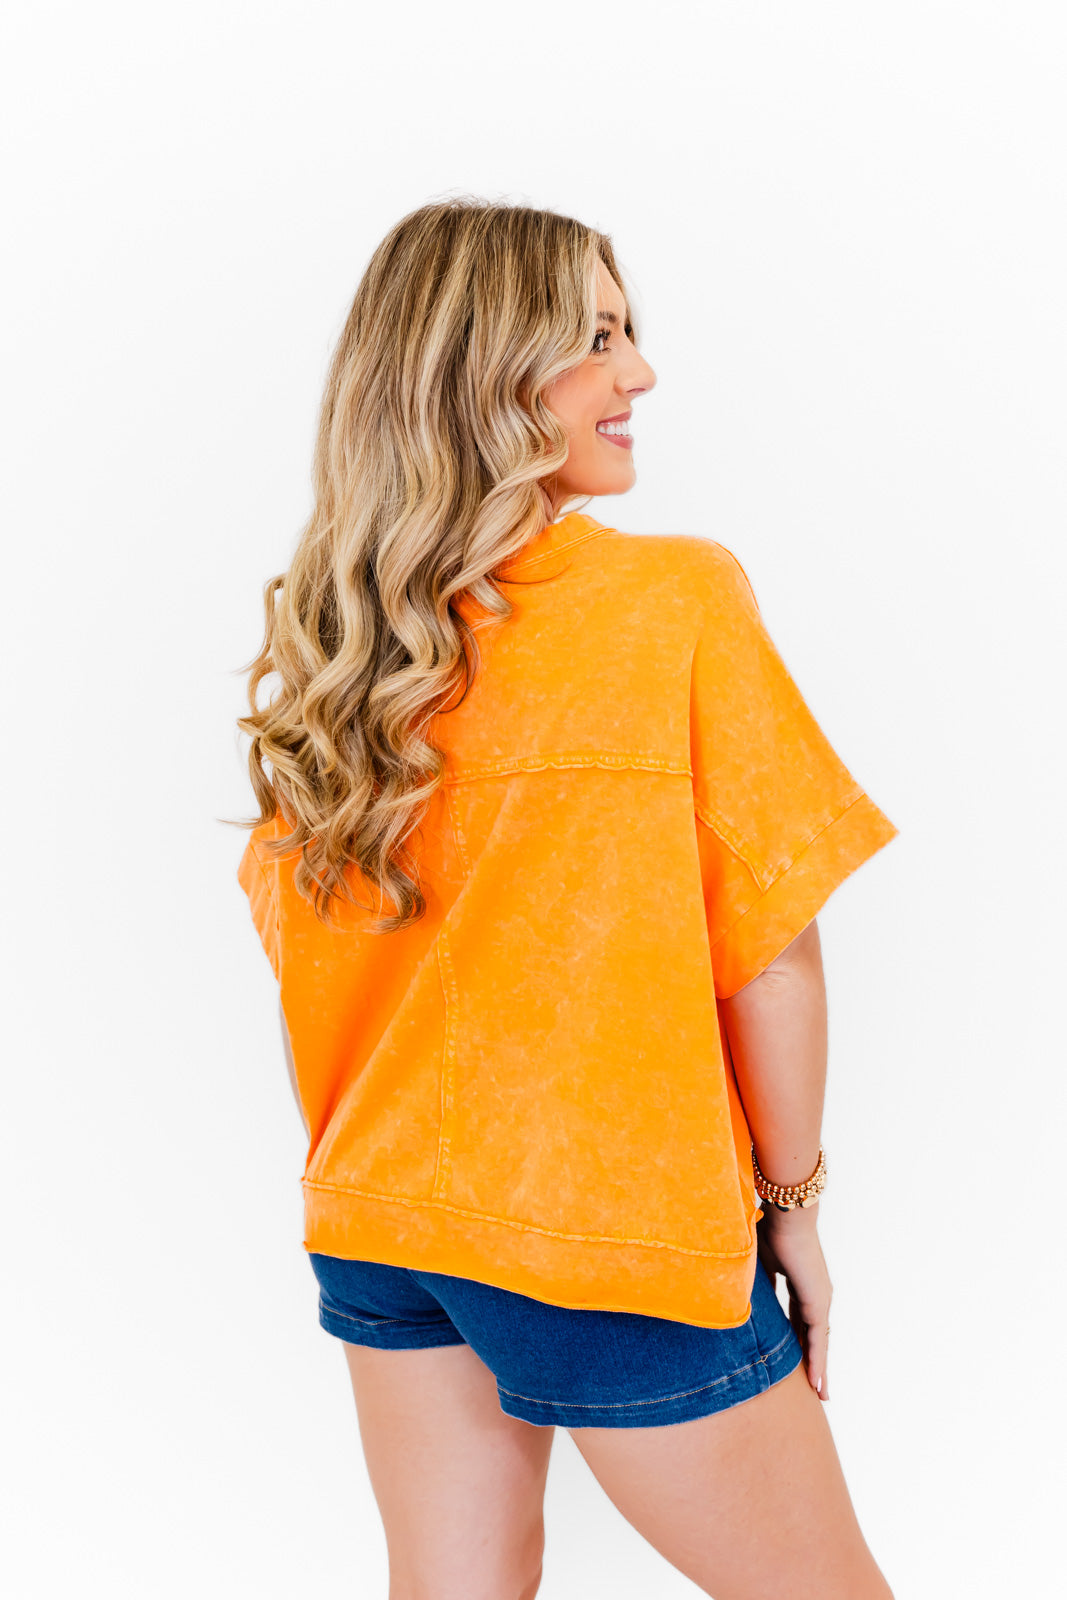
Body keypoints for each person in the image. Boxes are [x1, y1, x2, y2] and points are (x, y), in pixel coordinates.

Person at [232, 197, 898, 1599]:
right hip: (610, 1228)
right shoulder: (674, 602)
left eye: (629, 331)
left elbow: (313, 965)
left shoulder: (345, 639)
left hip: (385, 1222)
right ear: (483, 369)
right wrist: (792, 1205)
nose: (639, 372)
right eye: (595, 338)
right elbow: (772, 958)